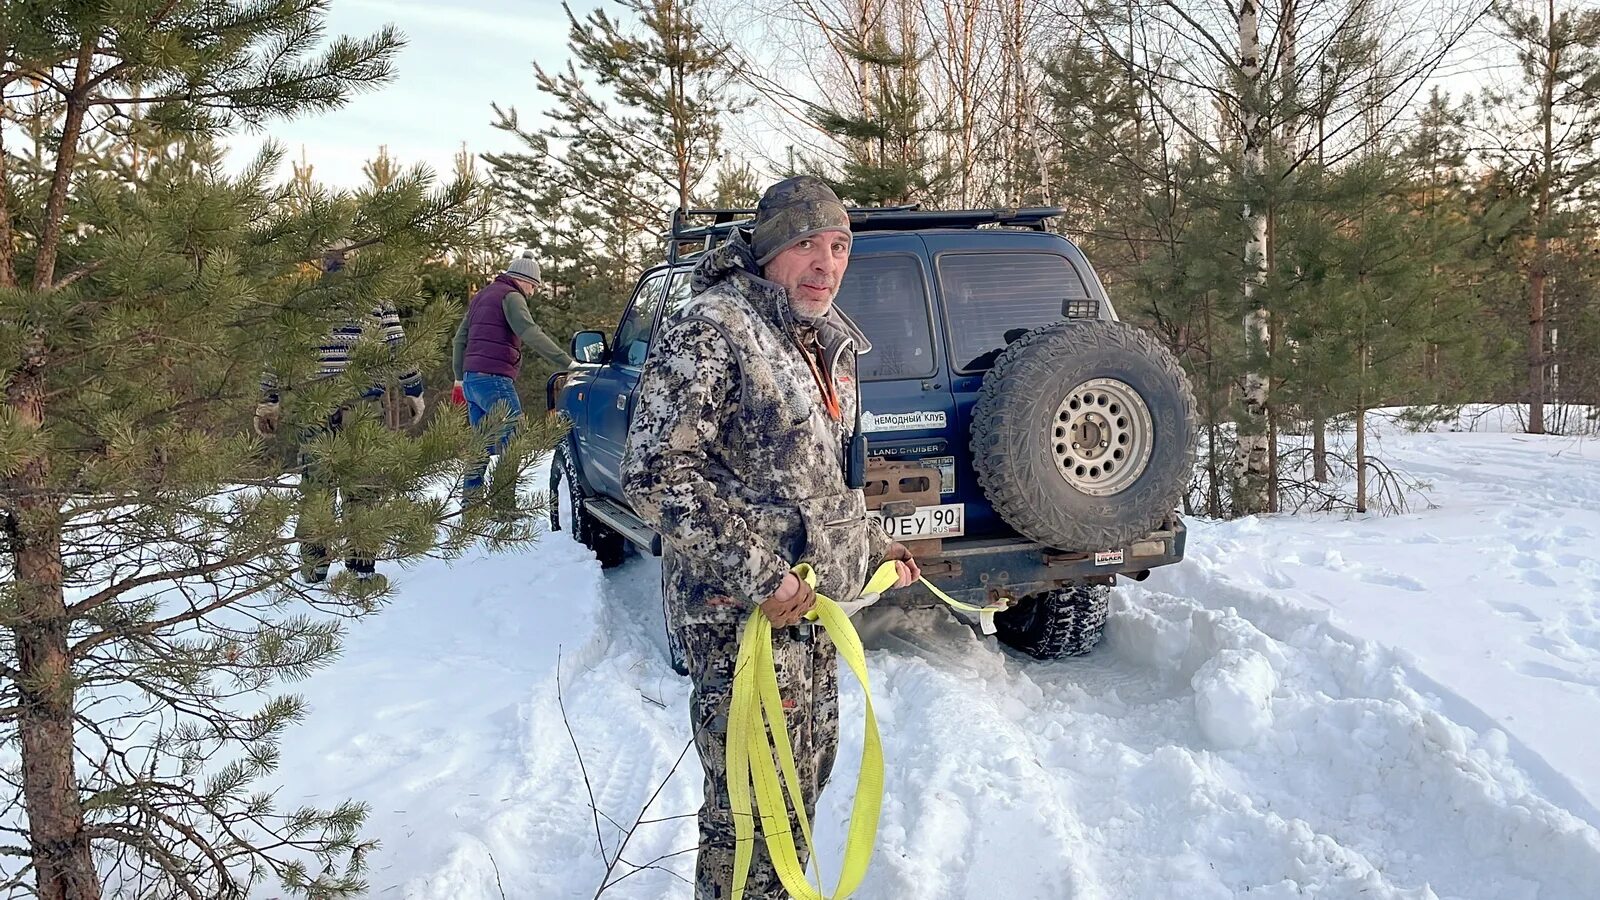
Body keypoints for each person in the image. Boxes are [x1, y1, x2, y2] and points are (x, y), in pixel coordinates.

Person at [622, 175, 920, 899]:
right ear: (766, 251)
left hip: (810, 616)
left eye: (839, 245)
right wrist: (763, 577)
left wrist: (874, 549)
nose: (827, 262)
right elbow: (656, 476)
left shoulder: (814, 339)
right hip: (740, 619)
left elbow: (819, 484)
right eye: (806, 245)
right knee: (750, 809)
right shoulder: (713, 329)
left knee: (802, 788)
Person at [253, 243, 425, 583]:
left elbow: (279, 353)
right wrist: (414, 391)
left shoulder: (303, 301)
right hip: (363, 408)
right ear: (355, 260)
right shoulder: (378, 300)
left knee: (315, 488)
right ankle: (361, 568)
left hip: (312, 406)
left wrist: (268, 400)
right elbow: (399, 350)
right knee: (363, 488)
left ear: (323, 264)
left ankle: (313, 569)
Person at [451, 250, 571, 498]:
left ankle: (470, 507)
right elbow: (529, 332)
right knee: (513, 439)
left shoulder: (482, 296)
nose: (532, 293)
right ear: (524, 280)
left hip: (472, 381)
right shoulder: (511, 296)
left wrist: (459, 380)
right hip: (495, 380)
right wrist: (567, 363)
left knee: (480, 447)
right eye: (533, 286)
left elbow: (459, 340)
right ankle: (503, 507)